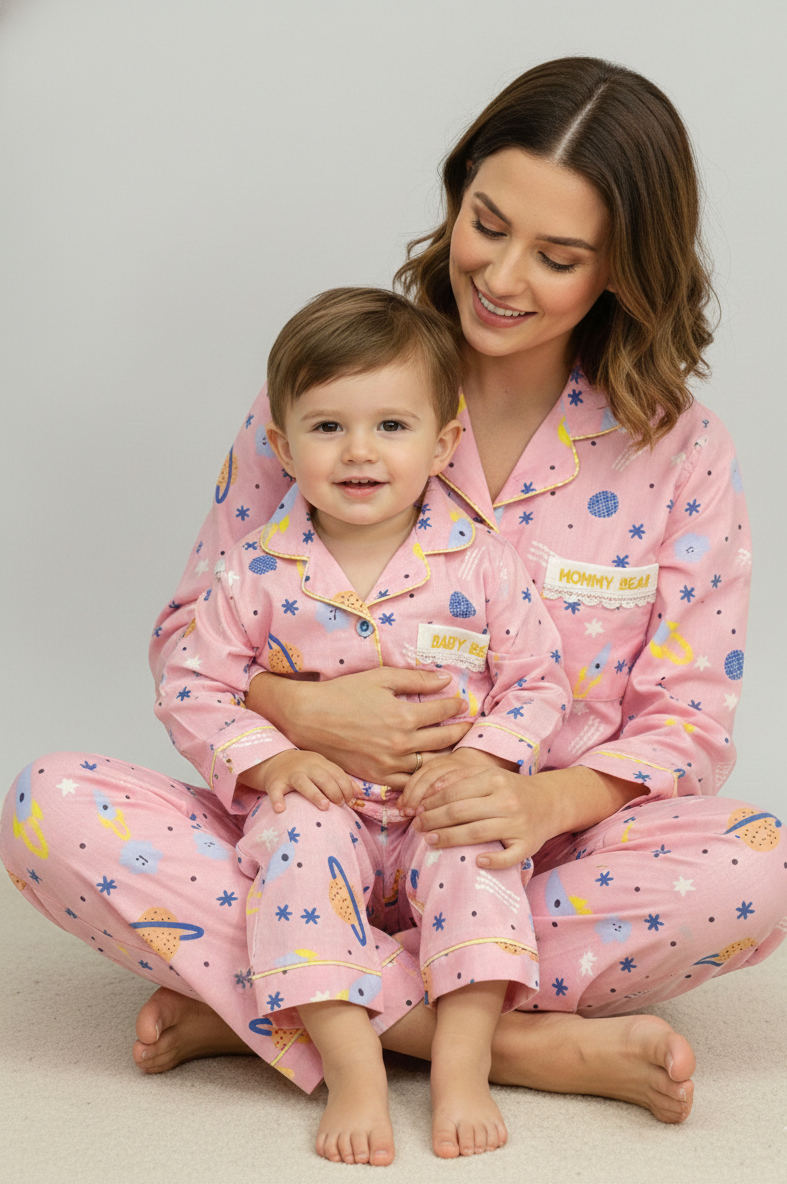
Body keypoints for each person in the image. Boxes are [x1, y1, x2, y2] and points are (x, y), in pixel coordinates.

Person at [2, 53, 784, 1158]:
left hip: (520, 864)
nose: (500, 275)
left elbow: (688, 722)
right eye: (486, 223)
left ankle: (281, 999)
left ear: (622, 267)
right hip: (300, 830)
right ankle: (507, 1045)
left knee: (759, 864)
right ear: (456, 194)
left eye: (556, 256)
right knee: (49, 807)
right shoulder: (336, 388)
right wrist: (298, 713)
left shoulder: (678, 450)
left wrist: (539, 802)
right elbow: (190, 639)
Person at [158, 285, 571, 1163]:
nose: (358, 451)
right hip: (322, 802)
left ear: (442, 444)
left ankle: (462, 1064)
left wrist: (485, 762)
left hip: (439, 801)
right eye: (327, 427)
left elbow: (538, 682)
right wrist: (269, 763)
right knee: (297, 846)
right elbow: (192, 684)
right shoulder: (255, 571)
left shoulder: (481, 563)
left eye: (390, 426)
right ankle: (354, 1072)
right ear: (281, 446)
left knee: (477, 851)